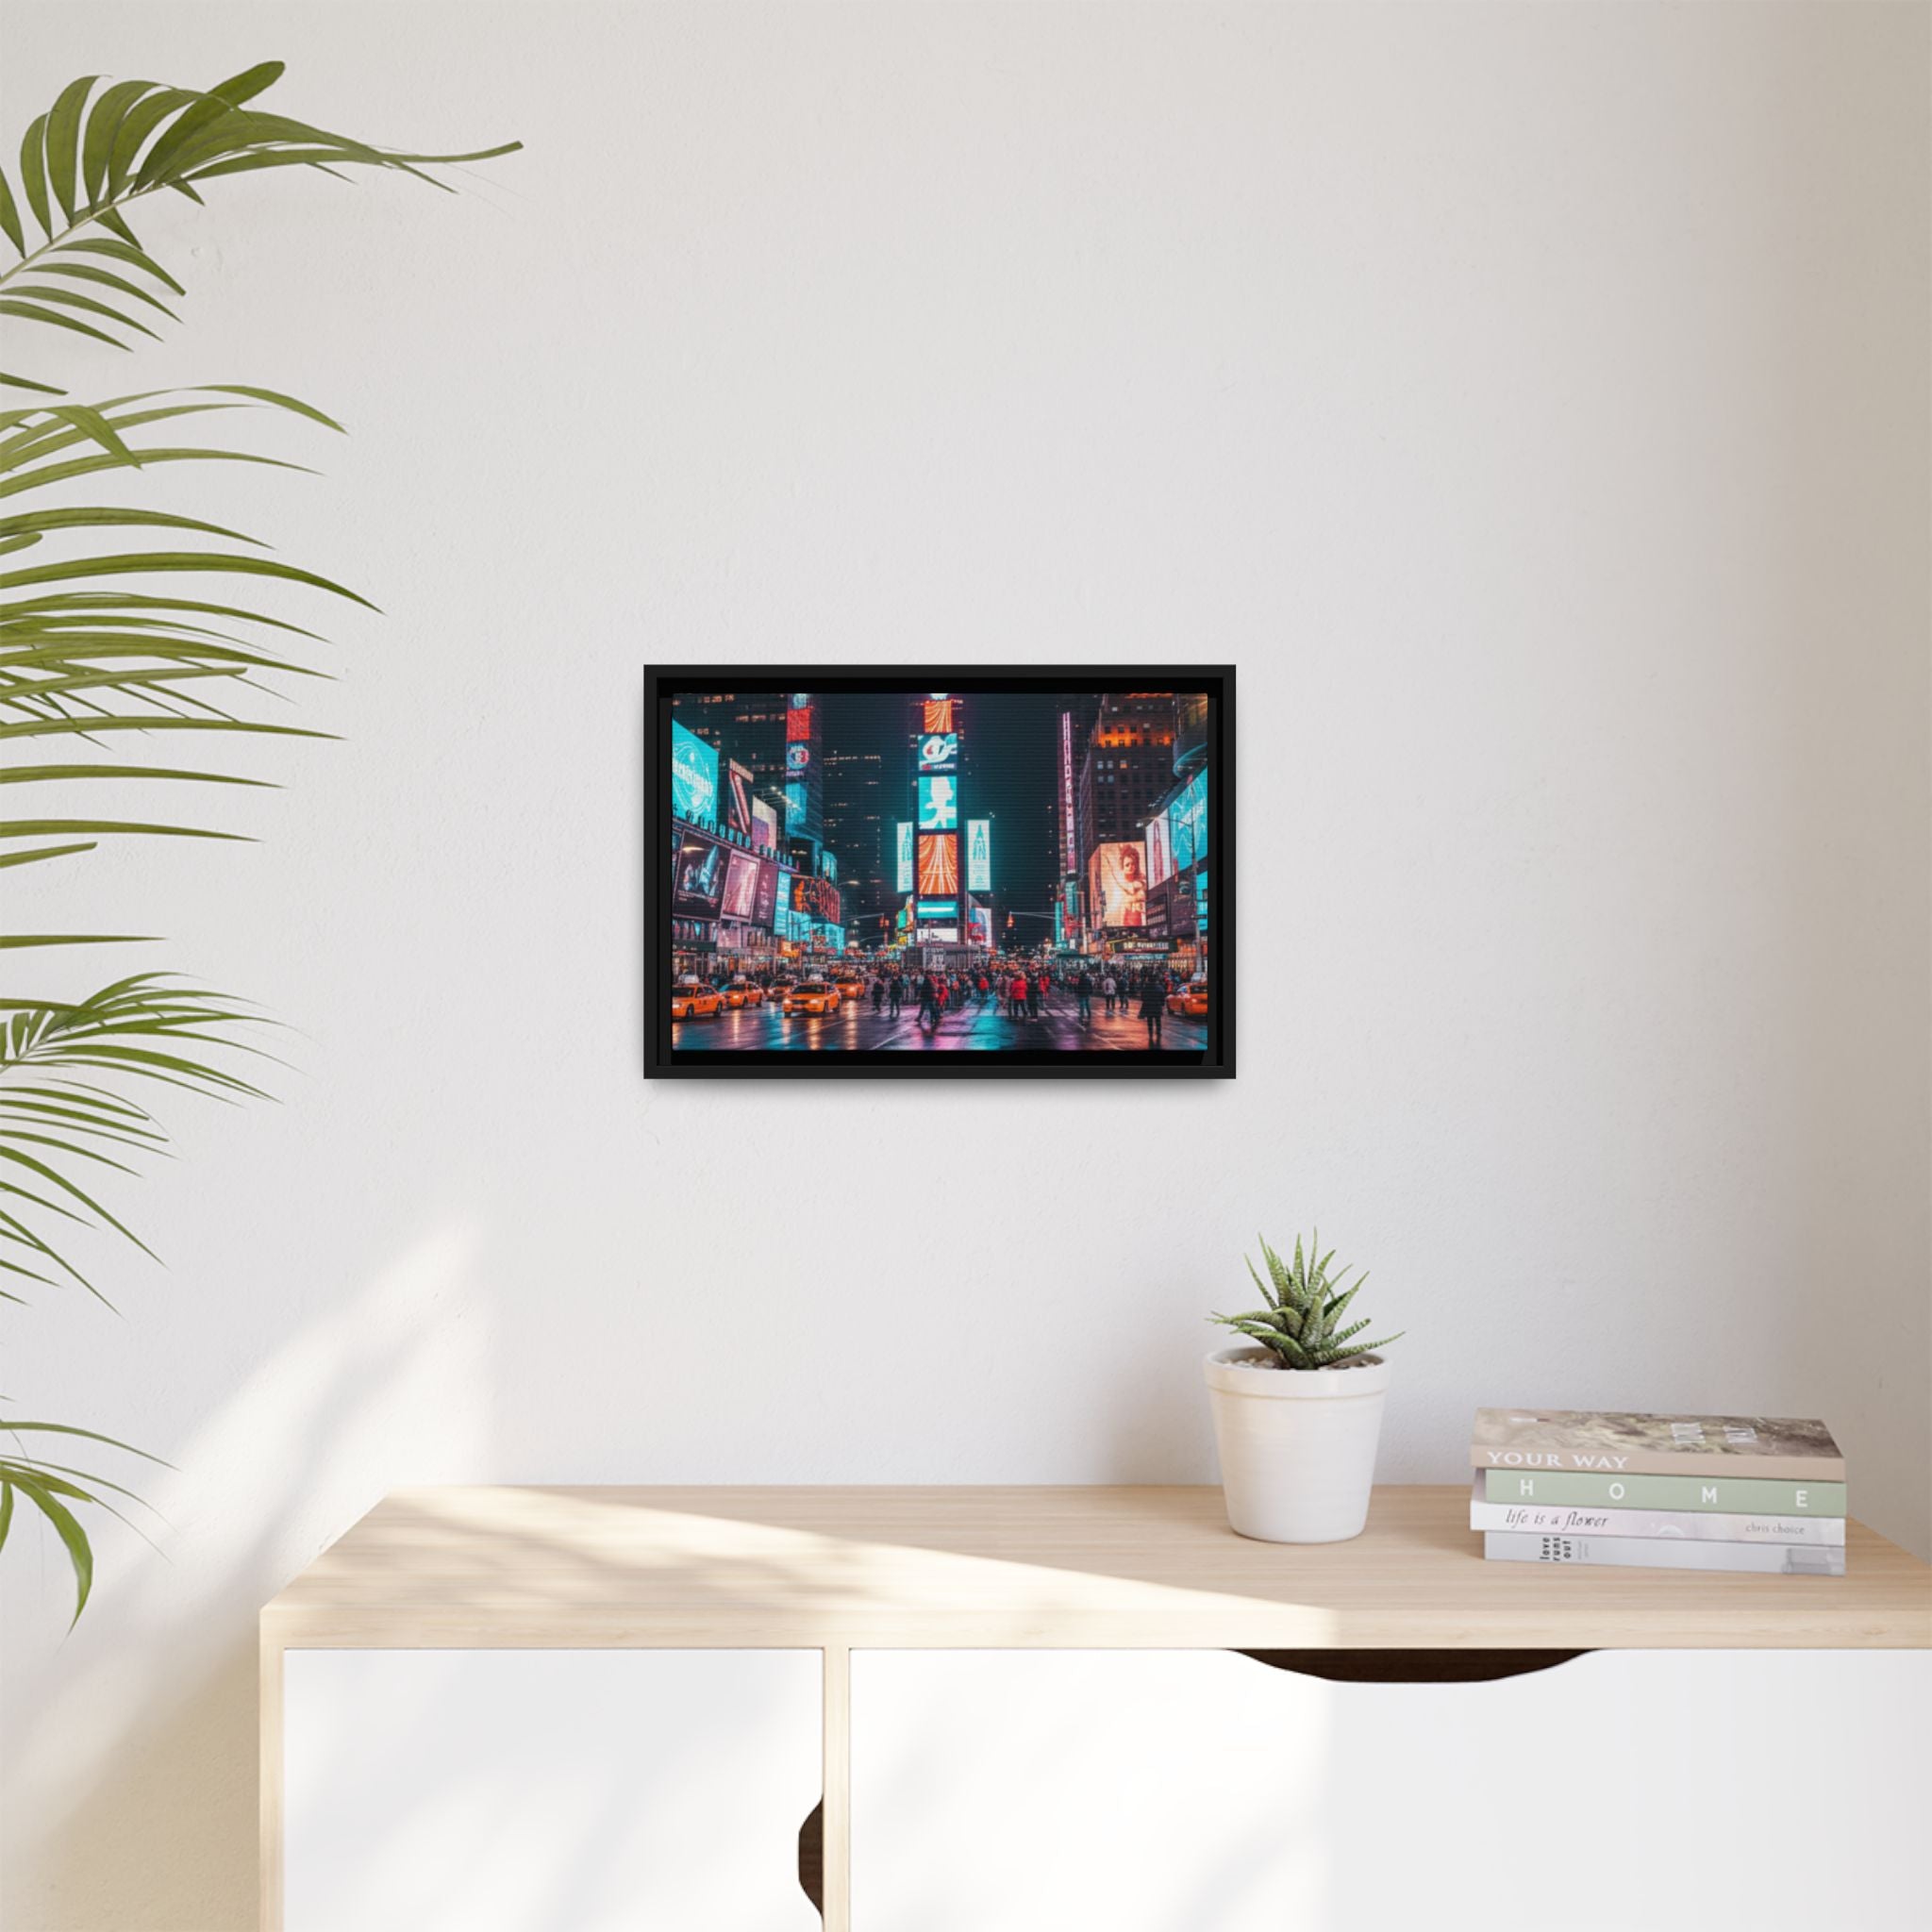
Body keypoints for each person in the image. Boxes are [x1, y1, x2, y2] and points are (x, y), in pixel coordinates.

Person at [1140, 969, 1165, 1046]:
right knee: (1158, 1020)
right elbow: (1162, 997)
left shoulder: (1146, 988)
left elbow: (1142, 998)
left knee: (1149, 1021)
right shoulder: (1160, 987)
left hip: (1149, 1006)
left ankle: (1150, 1032)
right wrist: (1162, 1004)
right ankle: (1158, 1032)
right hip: (1157, 1006)